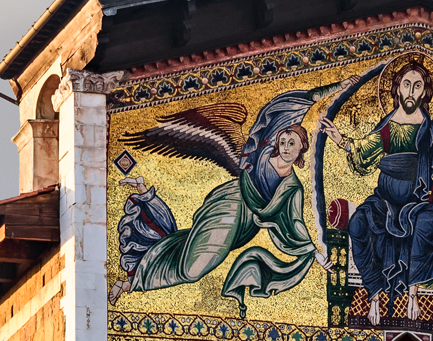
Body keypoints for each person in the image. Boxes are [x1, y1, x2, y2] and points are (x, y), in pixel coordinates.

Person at [111, 100, 327, 308]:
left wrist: (314, 252)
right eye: (283, 142)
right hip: (230, 206)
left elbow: (295, 222)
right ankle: (133, 283)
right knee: (192, 270)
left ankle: (146, 199)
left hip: (246, 226)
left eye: (292, 144)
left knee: (189, 249)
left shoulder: (292, 187)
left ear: (302, 148)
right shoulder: (258, 156)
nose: (286, 148)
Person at [321, 58, 433, 325]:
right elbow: (363, 152)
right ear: (398, 90)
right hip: (386, 201)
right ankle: (375, 295)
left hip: (420, 202)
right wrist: (341, 140)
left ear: (425, 92)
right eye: (407, 85)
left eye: (417, 86)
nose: (411, 92)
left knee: (428, 224)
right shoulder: (388, 127)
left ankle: (413, 294)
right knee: (358, 223)